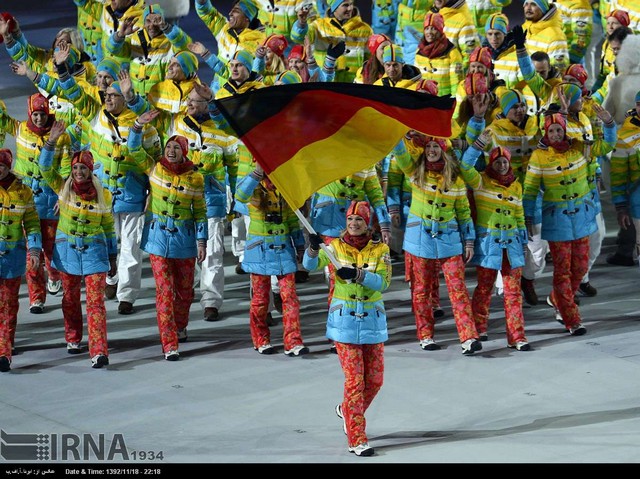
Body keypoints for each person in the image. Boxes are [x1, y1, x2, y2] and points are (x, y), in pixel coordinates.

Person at [303, 200, 391, 457]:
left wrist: (359, 275)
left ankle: (347, 410)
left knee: (375, 381)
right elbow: (309, 266)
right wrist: (312, 249)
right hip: (344, 324)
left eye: (359, 220)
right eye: (350, 219)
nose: (354, 224)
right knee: (354, 381)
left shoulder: (381, 249)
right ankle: (357, 438)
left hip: (373, 322)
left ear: (368, 223)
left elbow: (384, 282)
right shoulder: (334, 247)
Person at [522, 102, 617, 335]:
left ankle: (557, 299)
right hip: (558, 222)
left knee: (580, 267)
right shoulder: (539, 157)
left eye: (559, 130)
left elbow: (607, 145)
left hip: (582, 218)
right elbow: (530, 191)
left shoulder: (581, 148)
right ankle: (572, 318)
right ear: (546, 133)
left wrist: (608, 123)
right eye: (551, 130)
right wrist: (527, 217)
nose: (556, 134)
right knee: (562, 270)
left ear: (564, 130)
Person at [391, 134, 482, 354]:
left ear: (443, 150)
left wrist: (469, 241)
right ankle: (425, 335)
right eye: (429, 146)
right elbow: (401, 153)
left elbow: (464, 212)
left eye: (436, 146)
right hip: (419, 242)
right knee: (421, 291)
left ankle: (469, 337)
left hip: (449, 242)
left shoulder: (456, 180)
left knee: (458, 289)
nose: (431, 150)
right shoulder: (415, 172)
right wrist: (394, 131)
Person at [40, 121, 117, 368]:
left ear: (90, 170)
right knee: (70, 299)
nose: (78, 172)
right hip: (67, 254)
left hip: (95, 254)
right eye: (75, 168)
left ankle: (99, 351)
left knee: (96, 304)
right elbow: (44, 167)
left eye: (83, 168)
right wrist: (51, 141)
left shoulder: (104, 194)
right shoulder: (62, 187)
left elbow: (109, 227)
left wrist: (113, 257)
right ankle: (73, 337)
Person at [128, 127, 207, 361]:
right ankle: (169, 342)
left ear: (184, 152)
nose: (171, 151)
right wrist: (137, 127)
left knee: (185, 291)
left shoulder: (195, 178)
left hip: (185, 241)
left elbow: (200, 212)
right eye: (168, 147)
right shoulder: (154, 168)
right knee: (164, 291)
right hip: (157, 240)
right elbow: (133, 147)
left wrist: (202, 241)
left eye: (176, 148)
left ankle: (180, 325)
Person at [0, 93, 71, 314]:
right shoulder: (20, 129)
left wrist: (63, 196)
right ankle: (36, 297)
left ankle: (54, 275)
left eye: (43, 114)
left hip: (50, 203)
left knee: (50, 248)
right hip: (24, 202)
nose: (39, 119)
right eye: (35, 115)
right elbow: (2, 119)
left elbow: (65, 169)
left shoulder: (61, 136)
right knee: (32, 250)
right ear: (30, 114)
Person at [460, 134, 530, 351]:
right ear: (491, 163)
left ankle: (517, 337)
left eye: (505, 161)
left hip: (512, 245)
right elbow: (465, 166)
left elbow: (519, 214)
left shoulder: (516, 185)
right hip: (489, 244)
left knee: (514, 292)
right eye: (497, 161)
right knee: (484, 288)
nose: (502, 165)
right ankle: (479, 327)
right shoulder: (480, 181)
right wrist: (478, 145)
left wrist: (523, 240)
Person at [234, 162, 309, 356]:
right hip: (259, 252)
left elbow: (292, 219)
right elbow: (239, 196)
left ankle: (293, 342)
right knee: (260, 300)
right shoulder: (252, 183)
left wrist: (300, 246)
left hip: (284, 251)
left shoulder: (284, 186)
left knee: (290, 298)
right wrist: (256, 174)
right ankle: (261, 339)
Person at [0, 149, 42, 372]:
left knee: (9, 304)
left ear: (8, 167)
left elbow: (32, 223)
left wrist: (34, 250)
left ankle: (5, 348)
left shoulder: (23, 192)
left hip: (13, 258)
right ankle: (3, 349)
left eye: (1, 166)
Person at [291, 0, 373, 83]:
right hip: (326, 82)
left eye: (351, 4)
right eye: (345, 5)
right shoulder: (318, 26)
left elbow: (370, 61)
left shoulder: (365, 29)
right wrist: (301, 24)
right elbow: (299, 38)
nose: (350, 8)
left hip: (353, 84)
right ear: (334, 8)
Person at [404, 12, 464, 97]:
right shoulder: (419, 51)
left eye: (433, 29)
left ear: (440, 31)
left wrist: (453, 99)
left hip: (444, 98)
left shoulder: (452, 53)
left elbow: (456, 81)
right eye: (427, 28)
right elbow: (417, 78)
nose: (429, 32)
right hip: (425, 97)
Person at [521, 0, 570, 72]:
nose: (528, 8)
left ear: (543, 8)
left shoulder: (555, 36)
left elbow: (558, 72)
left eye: (533, 4)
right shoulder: (525, 29)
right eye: (526, 4)